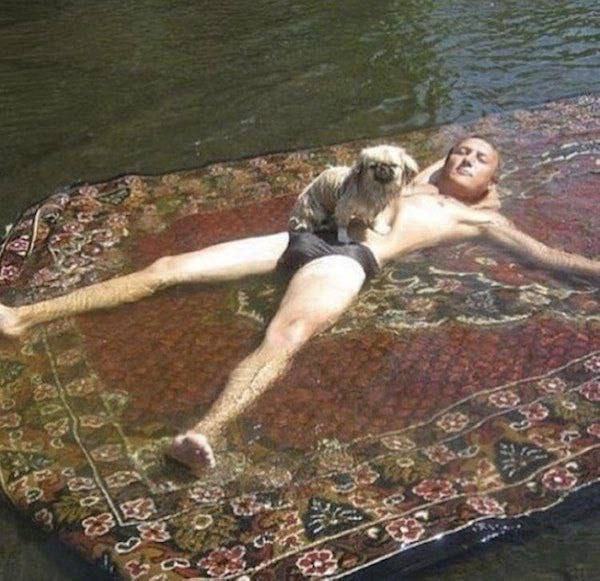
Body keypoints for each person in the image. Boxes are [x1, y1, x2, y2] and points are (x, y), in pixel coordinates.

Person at [0, 137, 598, 471]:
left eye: (479, 159)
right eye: (460, 151)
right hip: (307, 234)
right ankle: (23, 317)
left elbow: (552, 257)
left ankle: (202, 434)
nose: (464, 159)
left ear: (492, 182)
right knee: (169, 268)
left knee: (286, 336)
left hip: (348, 260)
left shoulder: (481, 220)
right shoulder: (409, 176)